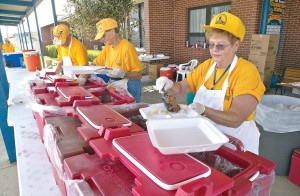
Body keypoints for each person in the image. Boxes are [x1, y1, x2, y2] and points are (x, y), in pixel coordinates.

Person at [156, 12, 265, 154]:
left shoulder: (247, 72)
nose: (214, 50)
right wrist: (169, 85)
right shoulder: (207, 66)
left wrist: (204, 110)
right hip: (205, 140)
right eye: (211, 44)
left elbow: (235, 119)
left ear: (236, 45)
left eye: (220, 46)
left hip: (235, 146)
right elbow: (182, 87)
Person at [92, 18, 143, 103]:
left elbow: (138, 74)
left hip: (130, 85)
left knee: (132, 112)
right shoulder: (107, 48)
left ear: (112, 31)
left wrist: (124, 74)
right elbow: (95, 63)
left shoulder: (127, 48)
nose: (102, 39)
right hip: (115, 84)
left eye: (103, 35)